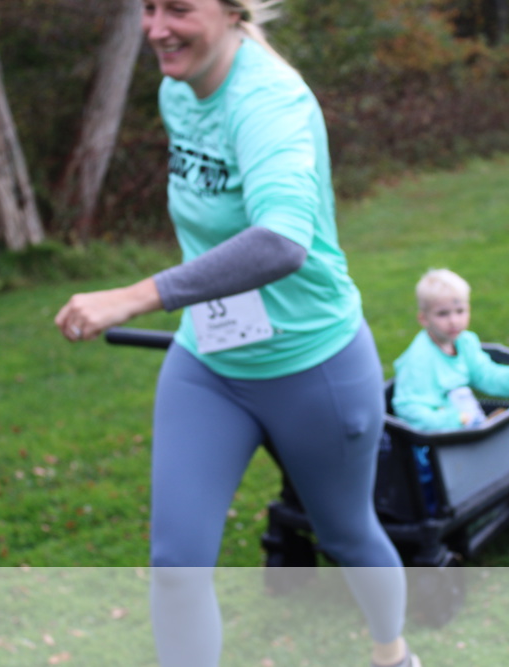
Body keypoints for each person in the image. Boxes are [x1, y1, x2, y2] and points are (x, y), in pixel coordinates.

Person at [55, 2, 418, 666]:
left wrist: (135, 296)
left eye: (178, 8)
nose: (156, 29)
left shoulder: (269, 101)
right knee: (176, 565)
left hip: (313, 364)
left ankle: (392, 653)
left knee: (346, 533)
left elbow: (281, 241)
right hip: (211, 363)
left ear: (230, 11)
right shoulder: (178, 90)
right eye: (148, 7)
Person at [391, 269, 509, 432]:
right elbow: (409, 408)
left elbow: (487, 375)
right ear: (424, 318)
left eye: (460, 311)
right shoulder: (419, 360)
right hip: (442, 439)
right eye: (443, 314)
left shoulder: (464, 342)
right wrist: (454, 419)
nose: (454, 321)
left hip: (472, 428)